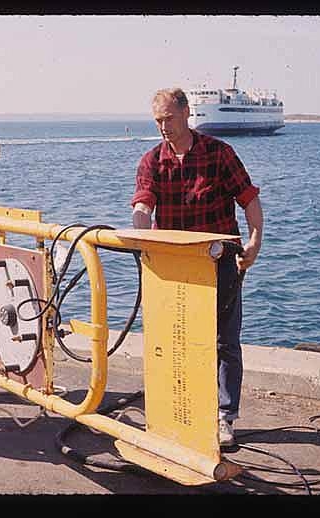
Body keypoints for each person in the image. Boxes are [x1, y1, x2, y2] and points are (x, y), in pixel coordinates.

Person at [131, 88, 264, 447]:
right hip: (173, 268)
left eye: (169, 119)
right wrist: (142, 229)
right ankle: (182, 412)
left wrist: (254, 241)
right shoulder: (151, 161)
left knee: (224, 342)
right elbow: (143, 202)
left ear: (186, 113)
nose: (163, 127)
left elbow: (249, 199)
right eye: (158, 120)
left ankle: (225, 418)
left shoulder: (220, 154)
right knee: (176, 341)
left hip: (220, 262)